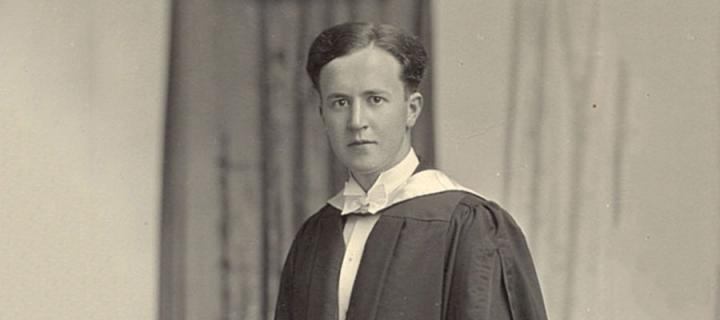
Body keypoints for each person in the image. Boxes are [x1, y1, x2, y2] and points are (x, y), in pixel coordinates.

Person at [275, 22, 547, 320]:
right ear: (322, 114)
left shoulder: (468, 223)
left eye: (375, 100)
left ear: (412, 109)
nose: (356, 121)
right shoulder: (315, 235)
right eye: (340, 102)